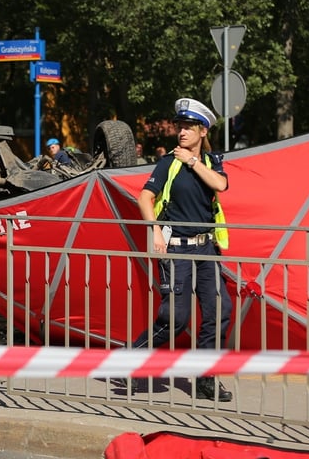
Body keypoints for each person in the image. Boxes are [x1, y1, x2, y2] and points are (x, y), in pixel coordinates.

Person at [132, 98, 234, 402]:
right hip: (176, 249)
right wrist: (154, 231)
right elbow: (144, 197)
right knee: (176, 319)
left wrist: (194, 162)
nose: (182, 131)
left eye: (188, 126)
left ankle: (206, 379)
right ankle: (130, 359)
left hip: (206, 251)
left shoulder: (212, 161)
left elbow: (221, 185)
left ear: (203, 131)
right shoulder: (168, 163)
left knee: (219, 311)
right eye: (180, 126)